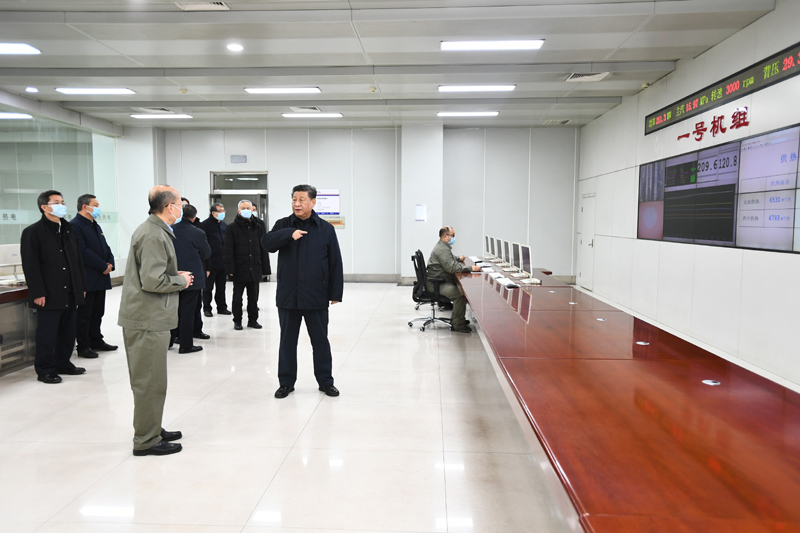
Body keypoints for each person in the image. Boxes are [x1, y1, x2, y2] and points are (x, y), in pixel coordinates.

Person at [118, 185, 192, 456]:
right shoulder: (153, 235)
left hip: (150, 318)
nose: (182, 209)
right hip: (146, 320)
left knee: (154, 381)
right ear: (169, 207)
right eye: (180, 204)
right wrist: (180, 281)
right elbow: (152, 281)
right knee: (149, 382)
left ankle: (152, 428)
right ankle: (146, 440)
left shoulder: (156, 231)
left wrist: (174, 275)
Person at [262, 184, 343, 399]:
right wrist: (289, 234)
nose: (297, 204)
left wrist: (335, 293)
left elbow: (335, 261)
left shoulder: (325, 229)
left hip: (316, 295)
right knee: (287, 342)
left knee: (320, 341)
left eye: (301, 200)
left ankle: (326, 381)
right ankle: (286, 383)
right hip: (288, 296)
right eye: (294, 200)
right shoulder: (283, 224)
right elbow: (267, 244)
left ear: (313, 202)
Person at [20, 190, 87, 384]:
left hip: (70, 290)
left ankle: (63, 363)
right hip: (49, 292)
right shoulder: (33, 232)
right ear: (44, 207)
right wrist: (38, 292)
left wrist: (81, 286)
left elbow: (77, 261)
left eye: (63, 202)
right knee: (48, 333)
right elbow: (30, 265)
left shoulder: (68, 229)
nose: (62, 205)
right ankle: (45, 369)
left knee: (68, 331)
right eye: (57, 202)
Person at [71, 193, 117, 359]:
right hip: (87, 277)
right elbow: (82, 251)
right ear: (85, 206)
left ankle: (96, 340)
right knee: (85, 314)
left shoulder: (94, 225)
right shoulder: (75, 225)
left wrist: (110, 262)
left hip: (100, 276)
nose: (98, 208)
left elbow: (105, 246)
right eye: (95, 205)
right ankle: (83, 345)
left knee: (98, 312)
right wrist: (103, 265)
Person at [170, 204, 211, 353]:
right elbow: (206, 253)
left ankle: (169, 341)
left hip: (173, 274)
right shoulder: (198, 232)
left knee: (173, 310)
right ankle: (186, 344)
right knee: (188, 311)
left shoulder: (170, 229)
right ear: (194, 217)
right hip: (192, 277)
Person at [224, 199, 270, 330]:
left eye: (248, 208)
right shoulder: (231, 228)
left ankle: (253, 320)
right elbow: (228, 250)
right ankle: (237, 320)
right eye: (243, 208)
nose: (246, 210)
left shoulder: (258, 227)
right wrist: (229, 268)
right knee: (237, 297)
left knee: (253, 297)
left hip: (255, 267)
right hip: (239, 268)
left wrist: (265, 268)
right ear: (238, 211)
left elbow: (263, 248)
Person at [426, 226, 481, 334]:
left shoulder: (443, 247)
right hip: (436, 283)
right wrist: (471, 268)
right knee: (459, 295)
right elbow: (451, 268)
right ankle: (458, 325)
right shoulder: (442, 249)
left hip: (439, 280)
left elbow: (449, 259)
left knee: (460, 290)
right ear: (445, 236)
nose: (454, 238)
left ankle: (458, 319)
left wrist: (458, 259)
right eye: (453, 235)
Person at [201, 203, 230, 317]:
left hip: (222, 262)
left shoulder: (224, 225)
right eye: (220, 211)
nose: (222, 213)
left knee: (221, 287)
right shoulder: (205, 225)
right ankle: (207, 308)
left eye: (223, 211)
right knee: (208, 288)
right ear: (213, 213)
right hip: (210, 262)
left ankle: (222, 307)